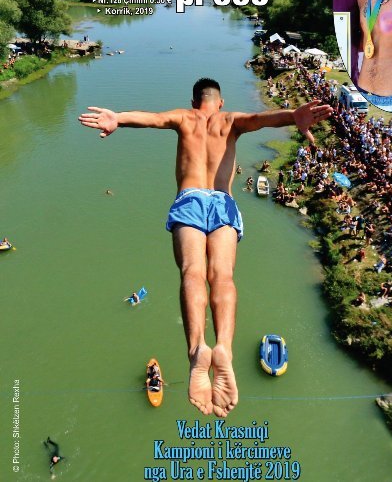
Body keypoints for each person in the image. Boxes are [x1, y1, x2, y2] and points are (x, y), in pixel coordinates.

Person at [79, 78, 332, 417]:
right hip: (223, 202)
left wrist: (118, 118)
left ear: (194, 100)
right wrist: (292, 115)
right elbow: (260, 119)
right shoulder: (231, 121)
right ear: (220, 101)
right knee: (222, 276)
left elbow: (152, 119)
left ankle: (197, 349)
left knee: (192, 273)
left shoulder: (184, 118)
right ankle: (223, 347)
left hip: (190, 199)